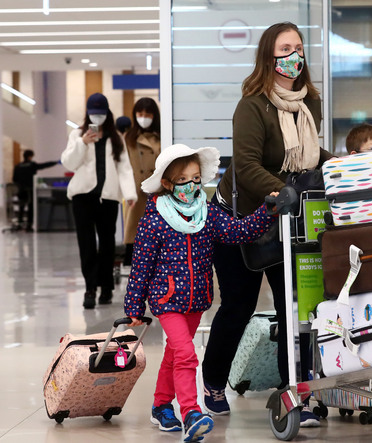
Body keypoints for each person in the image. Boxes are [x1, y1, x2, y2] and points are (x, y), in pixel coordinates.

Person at [201, 22, 334, 426]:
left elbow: (307, 156)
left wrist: (338, 168)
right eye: (284, 48)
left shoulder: (311, 102)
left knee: (292, 306)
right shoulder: (253, 105)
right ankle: (211, 383)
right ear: (268, 57)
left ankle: (292, 392)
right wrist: (282, 190)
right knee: (238, 305)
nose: (294, 55)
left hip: (283, 218)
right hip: (238, 219)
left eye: (298, 47)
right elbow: (246, 166)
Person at [124, 144, 278, 442]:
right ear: (167, 184)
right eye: (183, 180)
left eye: (196, 178)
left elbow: (238, 232)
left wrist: (266, 211)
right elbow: (141, 265)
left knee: (173, 355)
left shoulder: (206, 214)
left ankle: (160, 406)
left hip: (196, 300)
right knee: (185, 354)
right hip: (167, 300)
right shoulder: (155, 218)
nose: (192, 185)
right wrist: (134, 307)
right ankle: (191, 412)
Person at [61, 92, 137, 309]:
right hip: (82, 197)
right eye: (93, 113)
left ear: (107, 113)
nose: (97, 117)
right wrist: (83, 143)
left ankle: (106, 287)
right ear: (87, 113)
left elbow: (124, 168)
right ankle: (90, 288)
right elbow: (69, 163)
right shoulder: (77, 134)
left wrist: (130, 194)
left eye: (100, 113)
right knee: (86, 244)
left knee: (106, 244)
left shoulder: (116, 137)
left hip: (108, 198)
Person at [123, 97, 162, 266]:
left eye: (148, 113)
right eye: (140, 113)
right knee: (133, 232)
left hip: (158, 192)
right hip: (136, 193)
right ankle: (133, 269)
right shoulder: (128, 138)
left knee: (157, 234)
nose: (143, 116)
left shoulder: (162, 136)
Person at [11, 149, 58, 231]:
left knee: (21, 206)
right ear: (30, 156)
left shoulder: (17, 166)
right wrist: (55, 162)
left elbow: (14, 179)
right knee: (30, 207)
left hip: (20, 191)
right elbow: (43, 165)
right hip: (30, 190)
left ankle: (19, 224)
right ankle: (29, 225)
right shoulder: (31, 165)